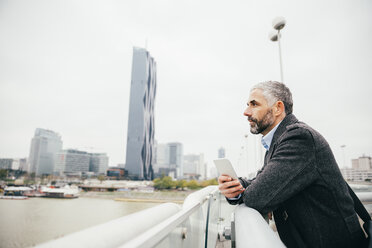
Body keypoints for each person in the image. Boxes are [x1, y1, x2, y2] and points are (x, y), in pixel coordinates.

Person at [218, 81, 366, 248]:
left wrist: (245, 192)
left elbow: (257, 197)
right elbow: (261, 180)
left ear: (277, 108)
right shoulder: (279, 141)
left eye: (254, 104)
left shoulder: (298, 138)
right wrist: (235, 187)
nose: (246, 112)